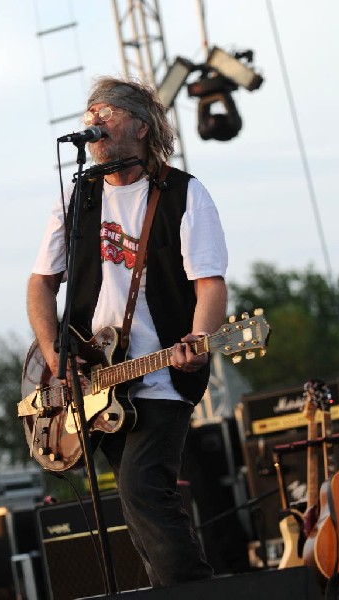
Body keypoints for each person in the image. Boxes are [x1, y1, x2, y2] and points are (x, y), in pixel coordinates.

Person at [27, 76, 228, 588]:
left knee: (143, 490)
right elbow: (41, 283)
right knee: (134, 511)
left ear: (140, 126)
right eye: (89, 112)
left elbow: (210, 285)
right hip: (94, 383)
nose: (92, 119)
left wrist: (198, 343)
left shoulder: (185, 193)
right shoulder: (79, 195)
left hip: (159, 378)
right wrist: (53, 355)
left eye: (106, 111)